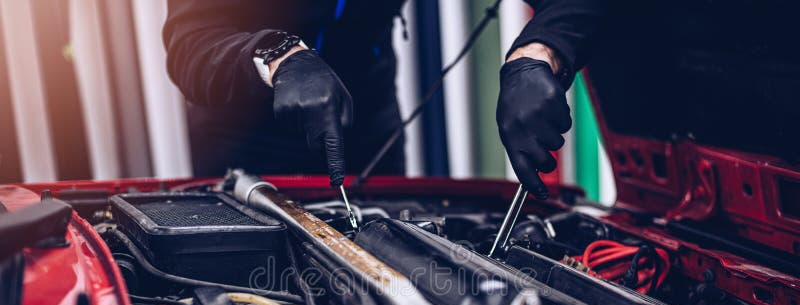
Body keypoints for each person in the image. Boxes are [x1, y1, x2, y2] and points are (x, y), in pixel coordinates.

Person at [163, 1, 605, 195]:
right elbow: (190, 40)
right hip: (247, 130)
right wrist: (280, 56)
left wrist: (536, 55)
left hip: (369, 120)